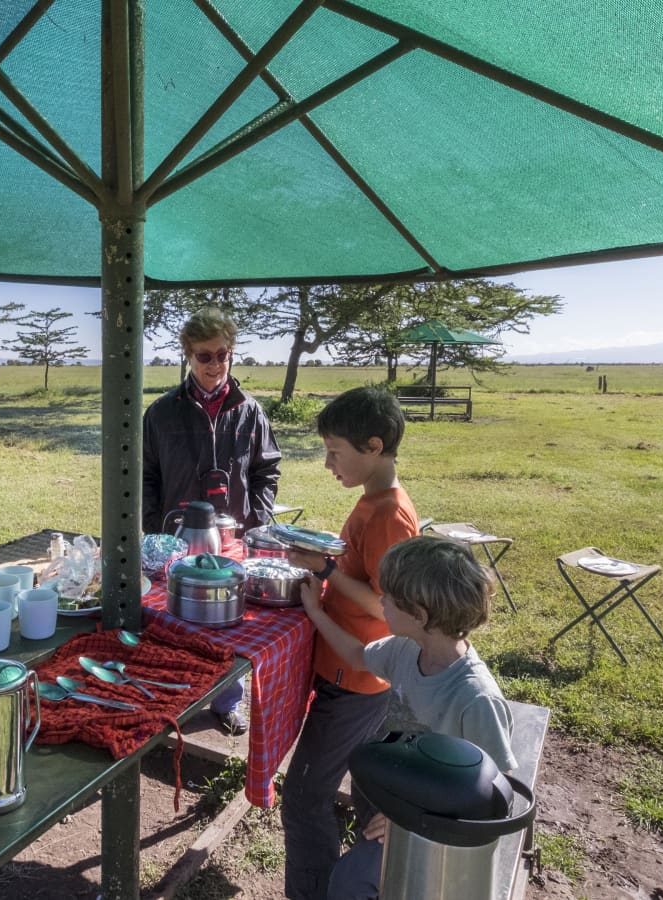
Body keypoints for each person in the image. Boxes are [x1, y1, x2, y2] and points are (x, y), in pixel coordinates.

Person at [305, 536, 516, 899]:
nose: (380, 601)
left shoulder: (475, 698)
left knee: (350, 880)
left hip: (435, 834)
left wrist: (419, 823)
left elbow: (494, 797)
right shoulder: (407, 649)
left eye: (388, 597)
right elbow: (358, 656)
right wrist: (316, 612)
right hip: (391, 803)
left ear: (419, 615)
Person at [281, 386, 419, 900]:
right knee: (368, 793)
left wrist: (325, 568)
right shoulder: (372, 503)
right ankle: (371, 883)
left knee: (303, 795)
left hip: (357, 680)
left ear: (374, 446)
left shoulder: (389, 515)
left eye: (335, 452)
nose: (327, 463)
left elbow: (386, 606)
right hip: (355, 673)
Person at [142, 306, 281, 733]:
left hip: (232, 537)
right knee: (176, 619)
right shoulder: (161, 413)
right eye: (204, 356)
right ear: (187, 355)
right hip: (175, 539)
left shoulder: (250, 411)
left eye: (223, 354)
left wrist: (255, 522)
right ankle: (175, 696)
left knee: (227, 620)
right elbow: (145, 474)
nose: (215, 365)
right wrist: (155, 528)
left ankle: (225, 703)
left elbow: (266, 470)